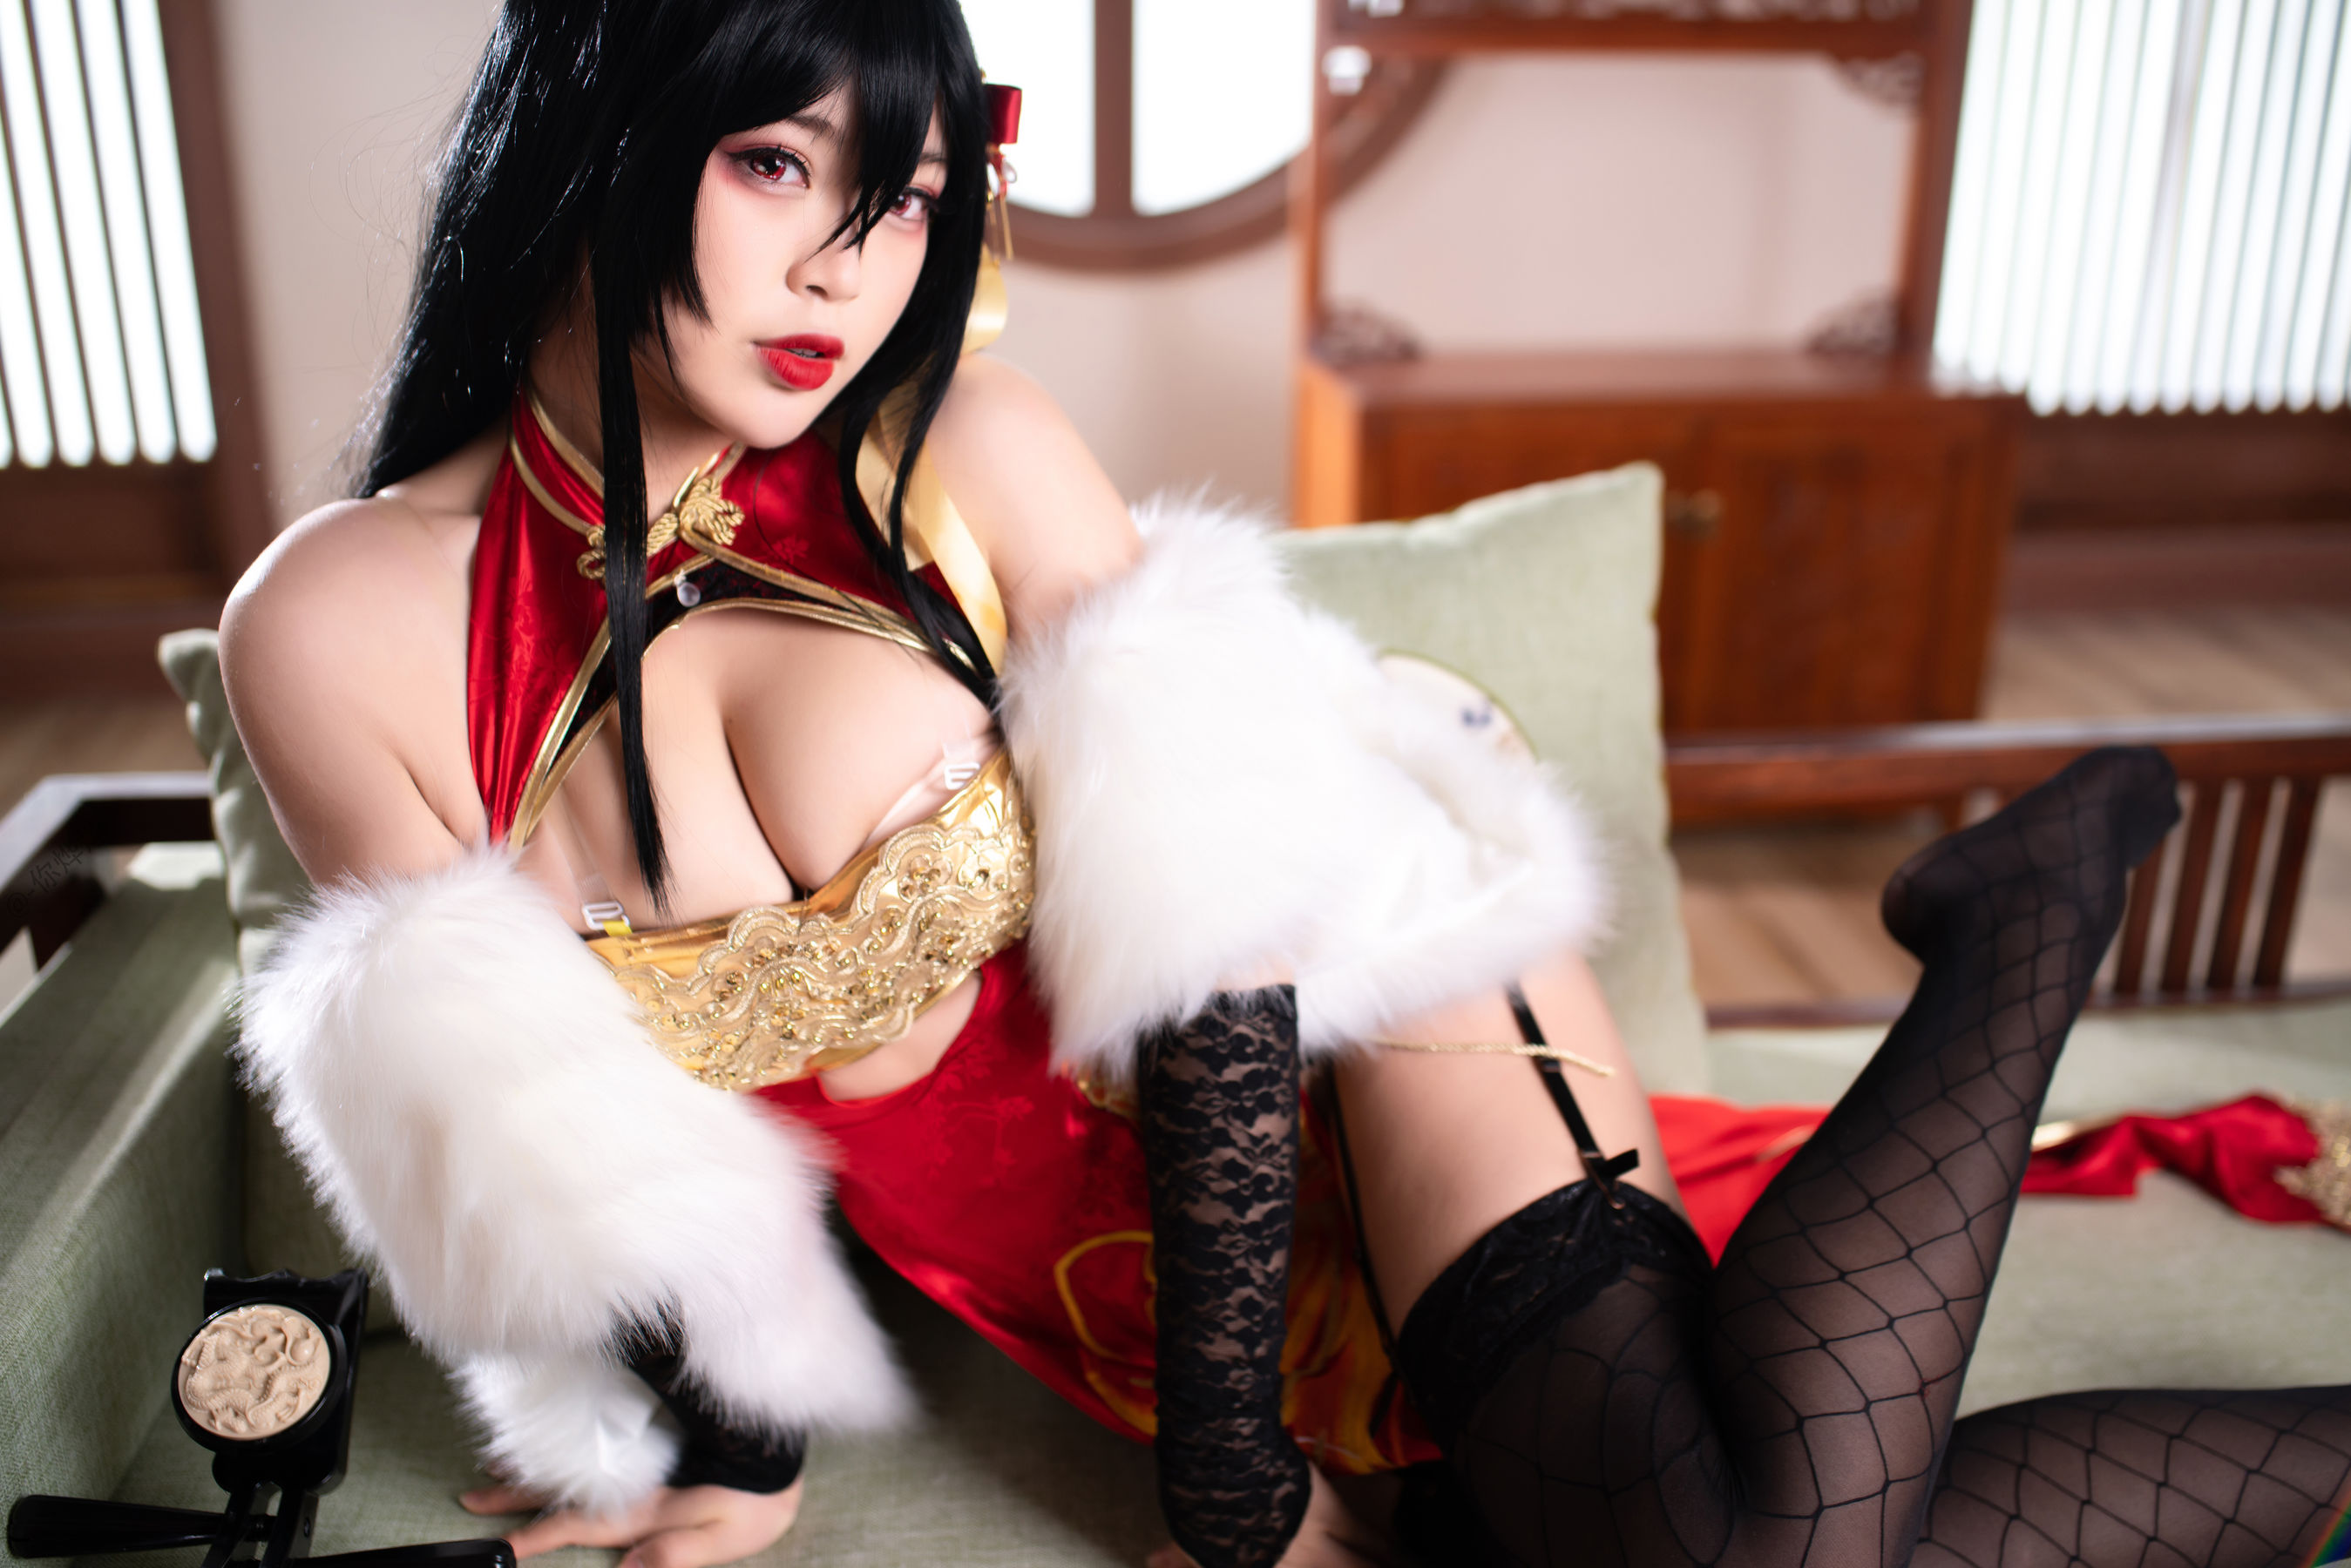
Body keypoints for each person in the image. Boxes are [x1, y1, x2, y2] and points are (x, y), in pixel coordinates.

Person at [223, 3, 2351, 1566]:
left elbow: (1229, 938)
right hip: (1087, 1273)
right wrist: (735, 1448)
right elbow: (553, 1129)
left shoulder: (956, 448)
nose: (845, 275)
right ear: (599, 125)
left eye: (907, 203)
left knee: (1723, 1549)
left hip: (1347, 1004)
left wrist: (1231, 1476)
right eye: (776, 166)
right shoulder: (340, 626)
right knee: (1745, 1535)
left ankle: (2014, 933)